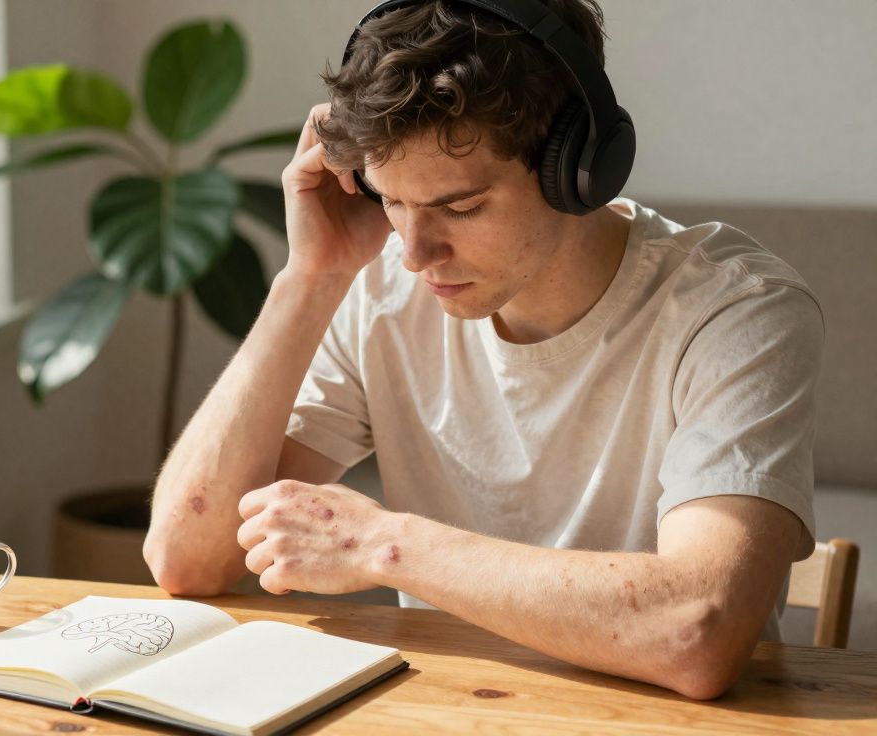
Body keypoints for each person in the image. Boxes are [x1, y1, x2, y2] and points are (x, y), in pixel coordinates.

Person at [142, 0, 822, 700]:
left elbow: (695, 632)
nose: (413, 253)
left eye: (459, 207)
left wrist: (382, 546)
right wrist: (311, 276)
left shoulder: (736, 308)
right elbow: (187, 558)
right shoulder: (376, 287)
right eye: (391, 202)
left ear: (578, 167)